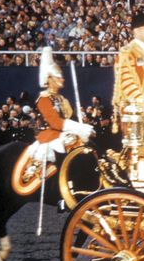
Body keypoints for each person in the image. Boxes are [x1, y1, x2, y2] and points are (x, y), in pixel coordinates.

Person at [19, 47, 94, 185]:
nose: (63, 80)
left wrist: (80, 122)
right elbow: (55, 123)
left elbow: (67, 116)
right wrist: (79, 128)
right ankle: (62, 182)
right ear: (50, 78)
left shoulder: (60, 98)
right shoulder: (44, 99)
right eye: (59, 77)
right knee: (70, 140)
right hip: (48, 135)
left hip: (61, 132)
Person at [112, 12, 144, 190]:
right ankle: (135, 187)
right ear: (137, 31)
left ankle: (142, 185)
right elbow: (127, 81)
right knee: (135, 148)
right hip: (134, 111)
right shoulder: (127, 53)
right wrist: (143, 103)